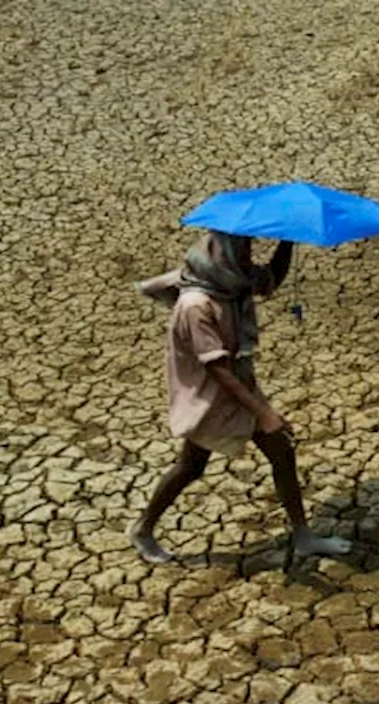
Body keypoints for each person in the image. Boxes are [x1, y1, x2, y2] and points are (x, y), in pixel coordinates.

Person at [129, 230, 351, 564]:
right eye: (243, 250)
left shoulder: (232, 282)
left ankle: (303, 535)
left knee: (281, 452)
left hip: (239, 388)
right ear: (224, 254)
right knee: (191, 466)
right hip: (211, 398)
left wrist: (287, 240)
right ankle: (143, 529)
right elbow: (217, 368)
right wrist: (263, 413)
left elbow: (271, 278)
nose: (248, 257)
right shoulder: (195, 305)